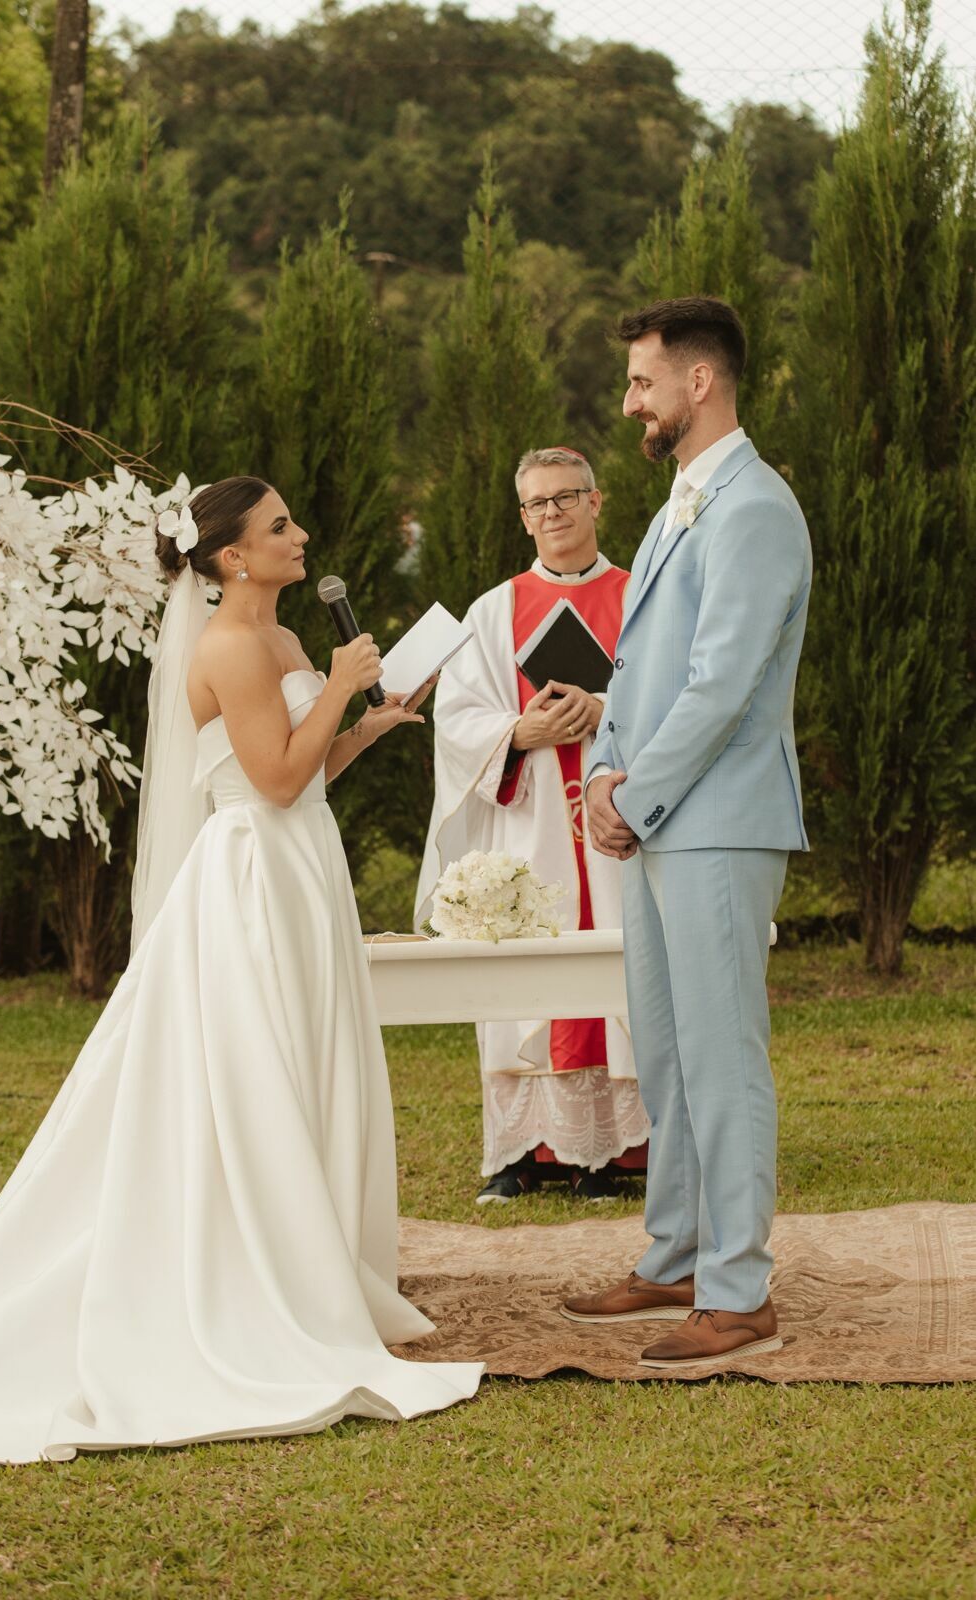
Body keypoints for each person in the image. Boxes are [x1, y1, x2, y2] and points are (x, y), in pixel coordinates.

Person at [0, 476, 482, 1465]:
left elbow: (307, 769)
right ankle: (251, 1277)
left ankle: (313, 1261)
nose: (300, 537)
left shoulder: (290, 642)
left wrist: (364, 727)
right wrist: (345, 685)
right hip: (252, 881)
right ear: (231, 558)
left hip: (305, 868)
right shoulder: (225, 646)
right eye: (278, 528)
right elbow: (268, 781)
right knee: (247, 1075)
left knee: (303, 1061)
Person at [561, 298, 812, 1367]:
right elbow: (636, 668)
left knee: (721, 1058)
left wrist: (635, 792)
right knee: (664, 1056)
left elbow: (721, 685)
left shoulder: (754, 507)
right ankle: (674, 1257)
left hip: (718, 820)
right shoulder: (678, 506)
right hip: (661, 813)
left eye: (640, 382)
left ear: (697, 382)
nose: (629, 402)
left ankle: (739, 1289)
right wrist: (601, 776)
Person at [417, 447, 649, 1205]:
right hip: (530, 822)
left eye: (565, 497)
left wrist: (604, 711)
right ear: (522, 515)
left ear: (596, 502)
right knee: (526, 980)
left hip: (618, 824)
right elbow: (456, 721)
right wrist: (518, 733)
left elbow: (678, 697)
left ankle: (622, 1153)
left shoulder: (641, 594)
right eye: (535, 504)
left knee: (621, 970)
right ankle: (528, 1152)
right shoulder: (494, 609)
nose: (550, 514)